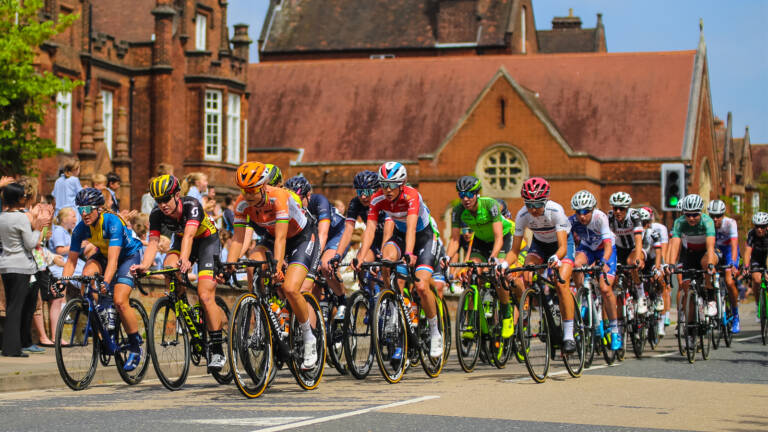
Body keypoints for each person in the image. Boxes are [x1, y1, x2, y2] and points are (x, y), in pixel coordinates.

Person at [225, 162, 320, 369]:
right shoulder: (242, 203)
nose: (247, 195)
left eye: (251, 191)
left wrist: (277, 267)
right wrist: (229, 264)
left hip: (300, 238)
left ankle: (308, 338)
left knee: (290, 288)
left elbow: (281, 238)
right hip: (271, 237)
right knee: (252, 266)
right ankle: (262, 313)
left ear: (263, 186)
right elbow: (238, 239)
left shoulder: (279, 197)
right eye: (244, 190)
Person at [130, 175, 226, 371]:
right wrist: (144, 265)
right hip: (182, 243)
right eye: (158, 201)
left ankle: (217, 348)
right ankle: (182, 305)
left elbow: (190, 235)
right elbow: (154, 243)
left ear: (176, 195)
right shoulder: (157, 214)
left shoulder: (192, 205)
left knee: (205, 295)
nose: (163, 204)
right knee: (168, 267)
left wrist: (185, 259)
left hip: (207, 242)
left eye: (166, 199)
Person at [352, 162, 443, 359]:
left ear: (402, 184)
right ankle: (392, 300)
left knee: (421, 286)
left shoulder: (411, 195)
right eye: (384, 185)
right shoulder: (378, 198)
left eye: (392, 185)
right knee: (386, 259)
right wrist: (360, 257)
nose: (388, 190)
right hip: (401, 236)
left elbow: (411, 228)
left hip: (424, 238)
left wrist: (409, 253)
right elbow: (369, 230)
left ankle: (435, 331)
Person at [60, 188, 144, 370]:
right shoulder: (81, 229)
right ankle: (102, 315)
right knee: (87, 275)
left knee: (120, 301)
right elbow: (71, 261)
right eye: (80, 209)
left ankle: (135, 346)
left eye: (88, 209)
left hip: (127, 256)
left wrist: (106, 283)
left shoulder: (112, 222)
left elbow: (114, 261)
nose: (84, 214)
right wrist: (62, 282)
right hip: (104, 255)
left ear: (98, 208)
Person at [505, 177, 576, 353]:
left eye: (538, 204)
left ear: (546, 200)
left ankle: (569, 335)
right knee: (527, 273)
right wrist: (503, 264)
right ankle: (536, 313)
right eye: (529, 204)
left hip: (561, 245)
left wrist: (554, 259)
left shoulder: (556, 210)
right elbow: (514, 251)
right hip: (539, 244)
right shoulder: (522, 215)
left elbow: (562, 248)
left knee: (561, 282)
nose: (533, 209)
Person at [445, 176, 516, 340]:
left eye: (469, 194)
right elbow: (455, 240)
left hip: (502, 240)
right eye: (461, 195)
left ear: (477, 193)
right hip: (481, 241)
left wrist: (493, 258)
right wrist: (447, 257)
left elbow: (498, 236)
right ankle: (471, 320)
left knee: (498, 273)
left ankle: (506, 315)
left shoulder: (490, 205)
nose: (465, 198)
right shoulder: (457, 210)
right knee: (472, 273)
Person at [284, 175, 348, 320]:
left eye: (299, 199)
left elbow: (323, 234)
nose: (296, 203)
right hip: (313, 238)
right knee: (310, 283)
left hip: (336, 234)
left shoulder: (319, 201)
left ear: (308, 196)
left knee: (325, 265)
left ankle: (342, 299)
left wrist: (316, 259)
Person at [0, 183, 51, 357]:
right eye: (22, 196)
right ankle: (12, 349)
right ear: (18, 199)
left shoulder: (2, 217)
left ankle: (9, 346)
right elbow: (30, 244)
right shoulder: (21, 218)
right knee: (17, 308)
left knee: (11, 307)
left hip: (5, 266)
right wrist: (37, 228)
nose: (25, 198)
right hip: (21, 266)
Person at [568, 190, 621, 349]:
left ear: (592, 209)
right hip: (587, 248)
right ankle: (583, 299)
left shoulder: (600, 217)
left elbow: (607, 245)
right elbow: (569, 246)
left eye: (586, 212)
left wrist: (604, 262)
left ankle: (614, 330)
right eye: (578, 212)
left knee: (605, 289)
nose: (582, 216)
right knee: (576, 265)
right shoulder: (571, 221)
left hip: (605, 249)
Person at [666, 194, 718, 346]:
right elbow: (675, 244)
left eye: (695, 214)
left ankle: (710, 298)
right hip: (689, 255)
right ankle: (690, 331)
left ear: (700, 212)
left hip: (706, 253)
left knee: (706, 263)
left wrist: (710, 265)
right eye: (688, 214)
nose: (691, 218)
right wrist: (670, 264)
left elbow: (710, 245)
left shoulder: (707, 221)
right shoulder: (679, 222)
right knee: (688, 289)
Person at [607, 192, 648, 317]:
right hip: (619, 248)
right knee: (611, 274)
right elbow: (608, 239)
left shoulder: (634, 216)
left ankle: (641, 296)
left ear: (627, 208)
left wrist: (637, 258)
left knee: (632, 263)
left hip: (635, 247)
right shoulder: (610, 217)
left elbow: (638, 238)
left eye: (622, 209)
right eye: (615, 208)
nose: (618, 211)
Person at [707, 199, 741, 333]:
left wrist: (733, 263)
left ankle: (736, 315)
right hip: (715, 251)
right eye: (712, 216)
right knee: (709, 278)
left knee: (728, 281)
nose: (715, 219)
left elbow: (734, 244)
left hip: (728, 251)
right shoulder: (707, 224)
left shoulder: (730, 223)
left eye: (718, 216)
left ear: (723, 214)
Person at [743, 212, 768, 322]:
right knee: (756, 280)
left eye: (762, 227)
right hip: (756, 259)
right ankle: (759, 305)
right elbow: (747, 251)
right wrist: (746, 267)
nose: (759, 229)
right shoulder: (751, 234)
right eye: (757, 226)